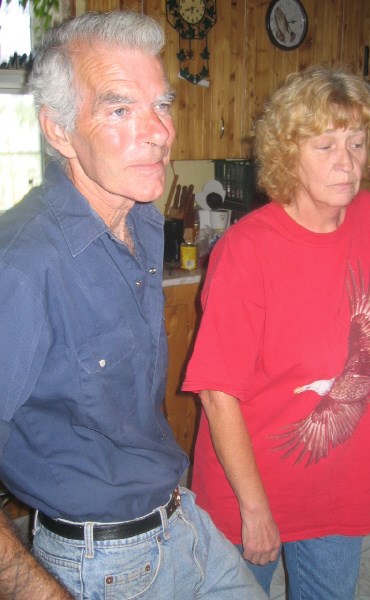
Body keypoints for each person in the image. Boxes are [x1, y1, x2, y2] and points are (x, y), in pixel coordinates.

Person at [0, 11, 268, 600]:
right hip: (99, 564)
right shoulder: (20, 266)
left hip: (180, 518)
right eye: (120, 109)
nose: (159, 131)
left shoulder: (142, 222)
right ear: (60, 131)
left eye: (163, 105)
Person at [182, 65, 370, 600]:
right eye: (325, 145)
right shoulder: (247, 251)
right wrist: (255, 510)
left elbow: (368, 347)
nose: (346, 163)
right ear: (288, 154)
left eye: (357, 142)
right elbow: (217, 391)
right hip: (251, 491)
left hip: (341, 487)